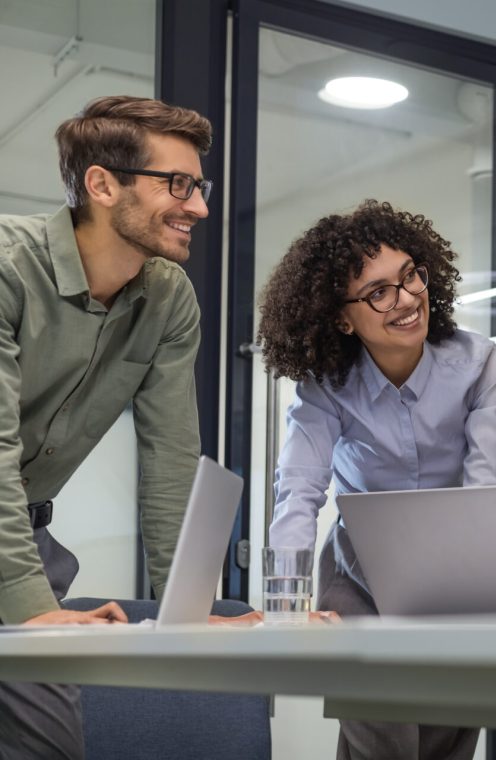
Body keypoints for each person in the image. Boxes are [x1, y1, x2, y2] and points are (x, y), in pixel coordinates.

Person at [258, 199, 496, 760]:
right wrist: (284, 606)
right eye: (379, 292)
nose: (406, 299)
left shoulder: (479, 366)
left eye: (410, 276)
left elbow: (486, 490)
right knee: (385, 744)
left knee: (446, 746)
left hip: (456, 581)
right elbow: (299, 491)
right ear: (341, 317)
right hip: (361, 582)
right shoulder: (327, 386)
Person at [0, 96, 213, 758]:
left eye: (198, 186)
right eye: (176, 184)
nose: (198, 207)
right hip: (16, 557)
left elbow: (172, 456)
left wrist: (188, 608)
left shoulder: (168, 298)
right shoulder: (10, 267)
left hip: (20, 536)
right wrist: (29, 604)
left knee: (50, 748)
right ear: (101, 184)